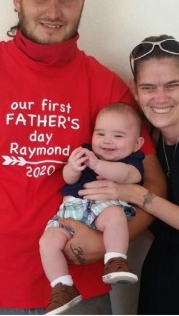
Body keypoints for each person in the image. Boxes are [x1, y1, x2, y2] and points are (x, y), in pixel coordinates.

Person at [0, 0, 166, 315]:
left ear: (82, 1)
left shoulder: (106, 85)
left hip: (81, 291)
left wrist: (111, 243)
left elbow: (154, 185)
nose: (53, 10)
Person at [79, 34, 179, 314]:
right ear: (135, 91)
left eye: (171, 85)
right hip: (162, 270)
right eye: (149, 87)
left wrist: (136, 194)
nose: (160, 98)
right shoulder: (144, 137)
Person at [40, 102, 144, 315]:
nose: (107, 140)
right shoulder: (85, 151)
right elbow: (67, 179)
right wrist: (72, 168)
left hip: (103, 208)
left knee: (116, 217)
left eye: (118, 136)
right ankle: (62, 286)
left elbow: (127, 175)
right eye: (101, 133)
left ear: (137, 143)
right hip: (70, 209)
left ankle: (115, 260)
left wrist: (97, 165)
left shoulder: (132, 160)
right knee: (47, 241)